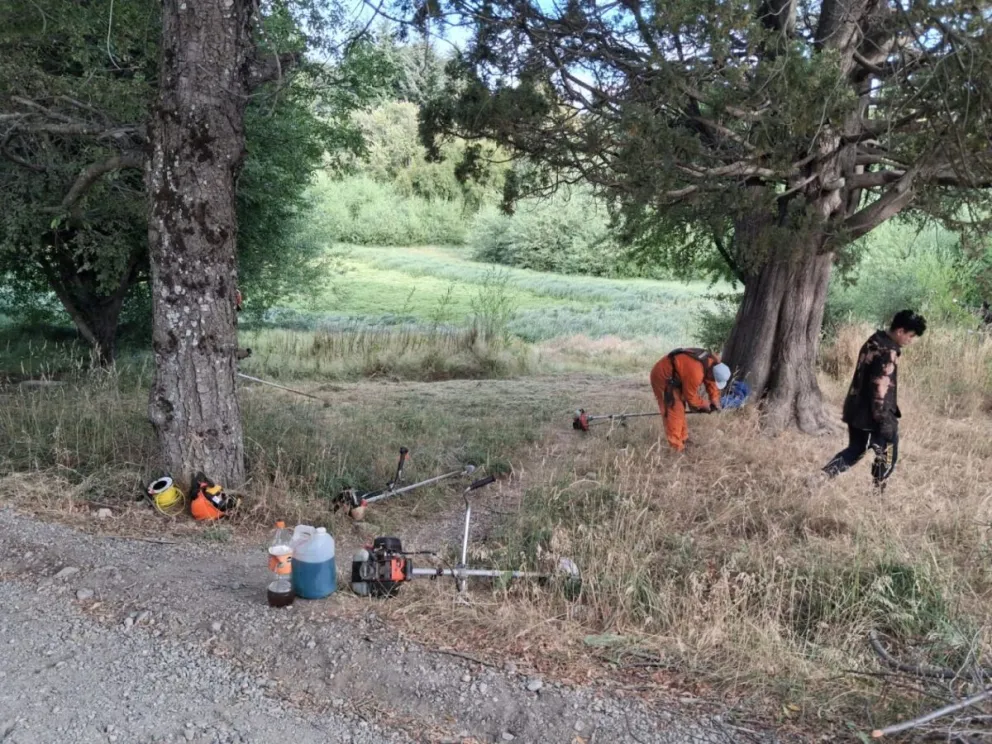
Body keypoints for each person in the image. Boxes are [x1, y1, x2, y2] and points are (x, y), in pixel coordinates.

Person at [820, 309, 927, 489]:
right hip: (871, 414)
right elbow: (880, 389)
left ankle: (821, 477)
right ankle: (878, 494)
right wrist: (884, 421)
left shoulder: (874, 340)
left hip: (855, 408)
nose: (911, 340)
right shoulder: (888, 352)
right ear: (900, 331)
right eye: (910, 335)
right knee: (888, 453)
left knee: (856, 449)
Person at [649, 348, 731, 452]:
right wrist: (704, 405)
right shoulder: (696, 372)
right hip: (663, 376)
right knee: (675, 409)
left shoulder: (713, 364)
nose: (713, 380)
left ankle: (683, 439)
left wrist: (714, 399)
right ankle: (676, 447)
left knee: (680, 407)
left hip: (677, 377)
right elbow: (691, 397)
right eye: (713, 378)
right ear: (711, 372)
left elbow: (711, 382)